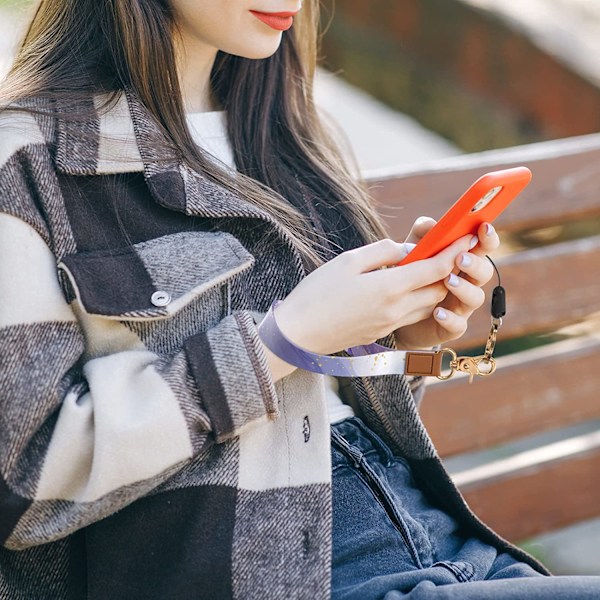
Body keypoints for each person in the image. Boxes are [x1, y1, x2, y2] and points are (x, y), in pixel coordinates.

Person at [0, 1, 598, 598]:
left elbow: (316, 404)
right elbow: (22, 484)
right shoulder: (27, 164)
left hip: (440, 544)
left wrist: (397, 337)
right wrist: (279, 343)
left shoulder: (280, 129)